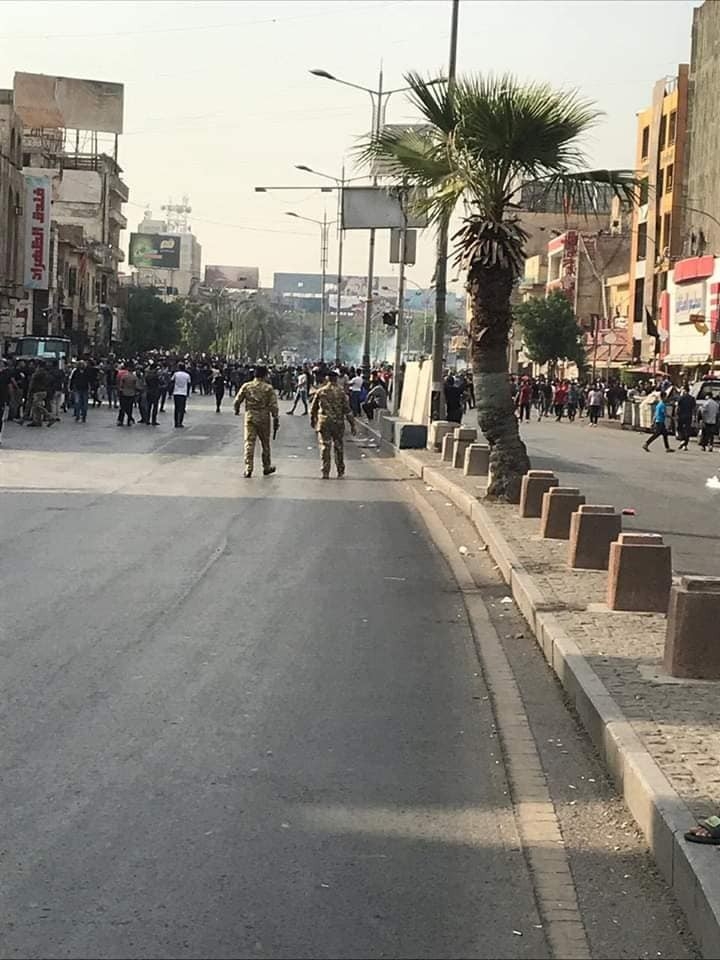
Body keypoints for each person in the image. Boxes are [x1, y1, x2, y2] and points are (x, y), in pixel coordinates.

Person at [233, 364, 278, 478]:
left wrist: (237, 410)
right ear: (265, 375)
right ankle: (266, 467)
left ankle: (248, 468)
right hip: (264, 417)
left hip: (250, 416)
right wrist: (275, 417)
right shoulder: (268, 388)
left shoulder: (247, 386)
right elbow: (273, 405)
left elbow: (237, 401)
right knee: (265, 444)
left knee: (249, 443)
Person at [310, 369, 356, 479]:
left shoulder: (321, 391)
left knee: (325, 447)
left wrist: (313, 420)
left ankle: (325, 471)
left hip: (324, 422)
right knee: (338, 447)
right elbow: (347, 410)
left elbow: (313, 409)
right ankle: (340, 470)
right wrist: (352, 424)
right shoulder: (341, 393)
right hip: (338, 423)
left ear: (327, 378)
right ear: (336, 379)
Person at [27, 361, 54, 427]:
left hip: (38, 391)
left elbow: (32, 382)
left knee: (37, 405)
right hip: (43, 391)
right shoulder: (46, 373)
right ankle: (37, 421)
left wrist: (29, 391)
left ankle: (50, 417)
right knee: (36, 407)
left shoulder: (38, 373)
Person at [0, 359, 17, 446]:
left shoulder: (6, 374)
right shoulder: (6, 374)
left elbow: (10, 386)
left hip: (1, 399)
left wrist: (11, 397)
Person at [675, 385, 696, 451]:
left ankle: (682, 440)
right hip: (688, 416)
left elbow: (677, 407)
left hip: (681, 416)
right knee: (687, 430)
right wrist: (693, 416)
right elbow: (694, 408)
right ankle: (685, 445)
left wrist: (676, 414)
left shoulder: (681, 398)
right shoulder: (692, 398)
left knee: (679, 428)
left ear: (684, 390)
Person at [171, 362, 191, 428]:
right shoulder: (187, 375)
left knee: (176, 408)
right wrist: (188, 393)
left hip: (176, 392)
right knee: (182, 408)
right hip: (183, 393)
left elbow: (172, 381)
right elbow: (189, 384)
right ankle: (180, 422)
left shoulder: (176, 374)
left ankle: (176, 422)